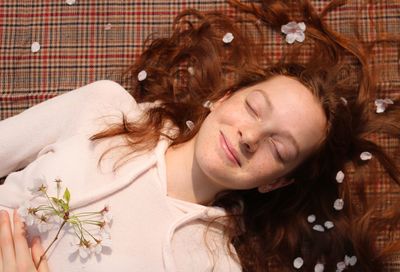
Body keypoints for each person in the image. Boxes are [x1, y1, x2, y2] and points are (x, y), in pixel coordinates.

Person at [0, 1, 399, 272]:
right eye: (254, 108)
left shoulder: (214, 264)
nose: (250, 136)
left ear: (276, 181)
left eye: (278, 148)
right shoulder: (105, 108)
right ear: (222, 98)